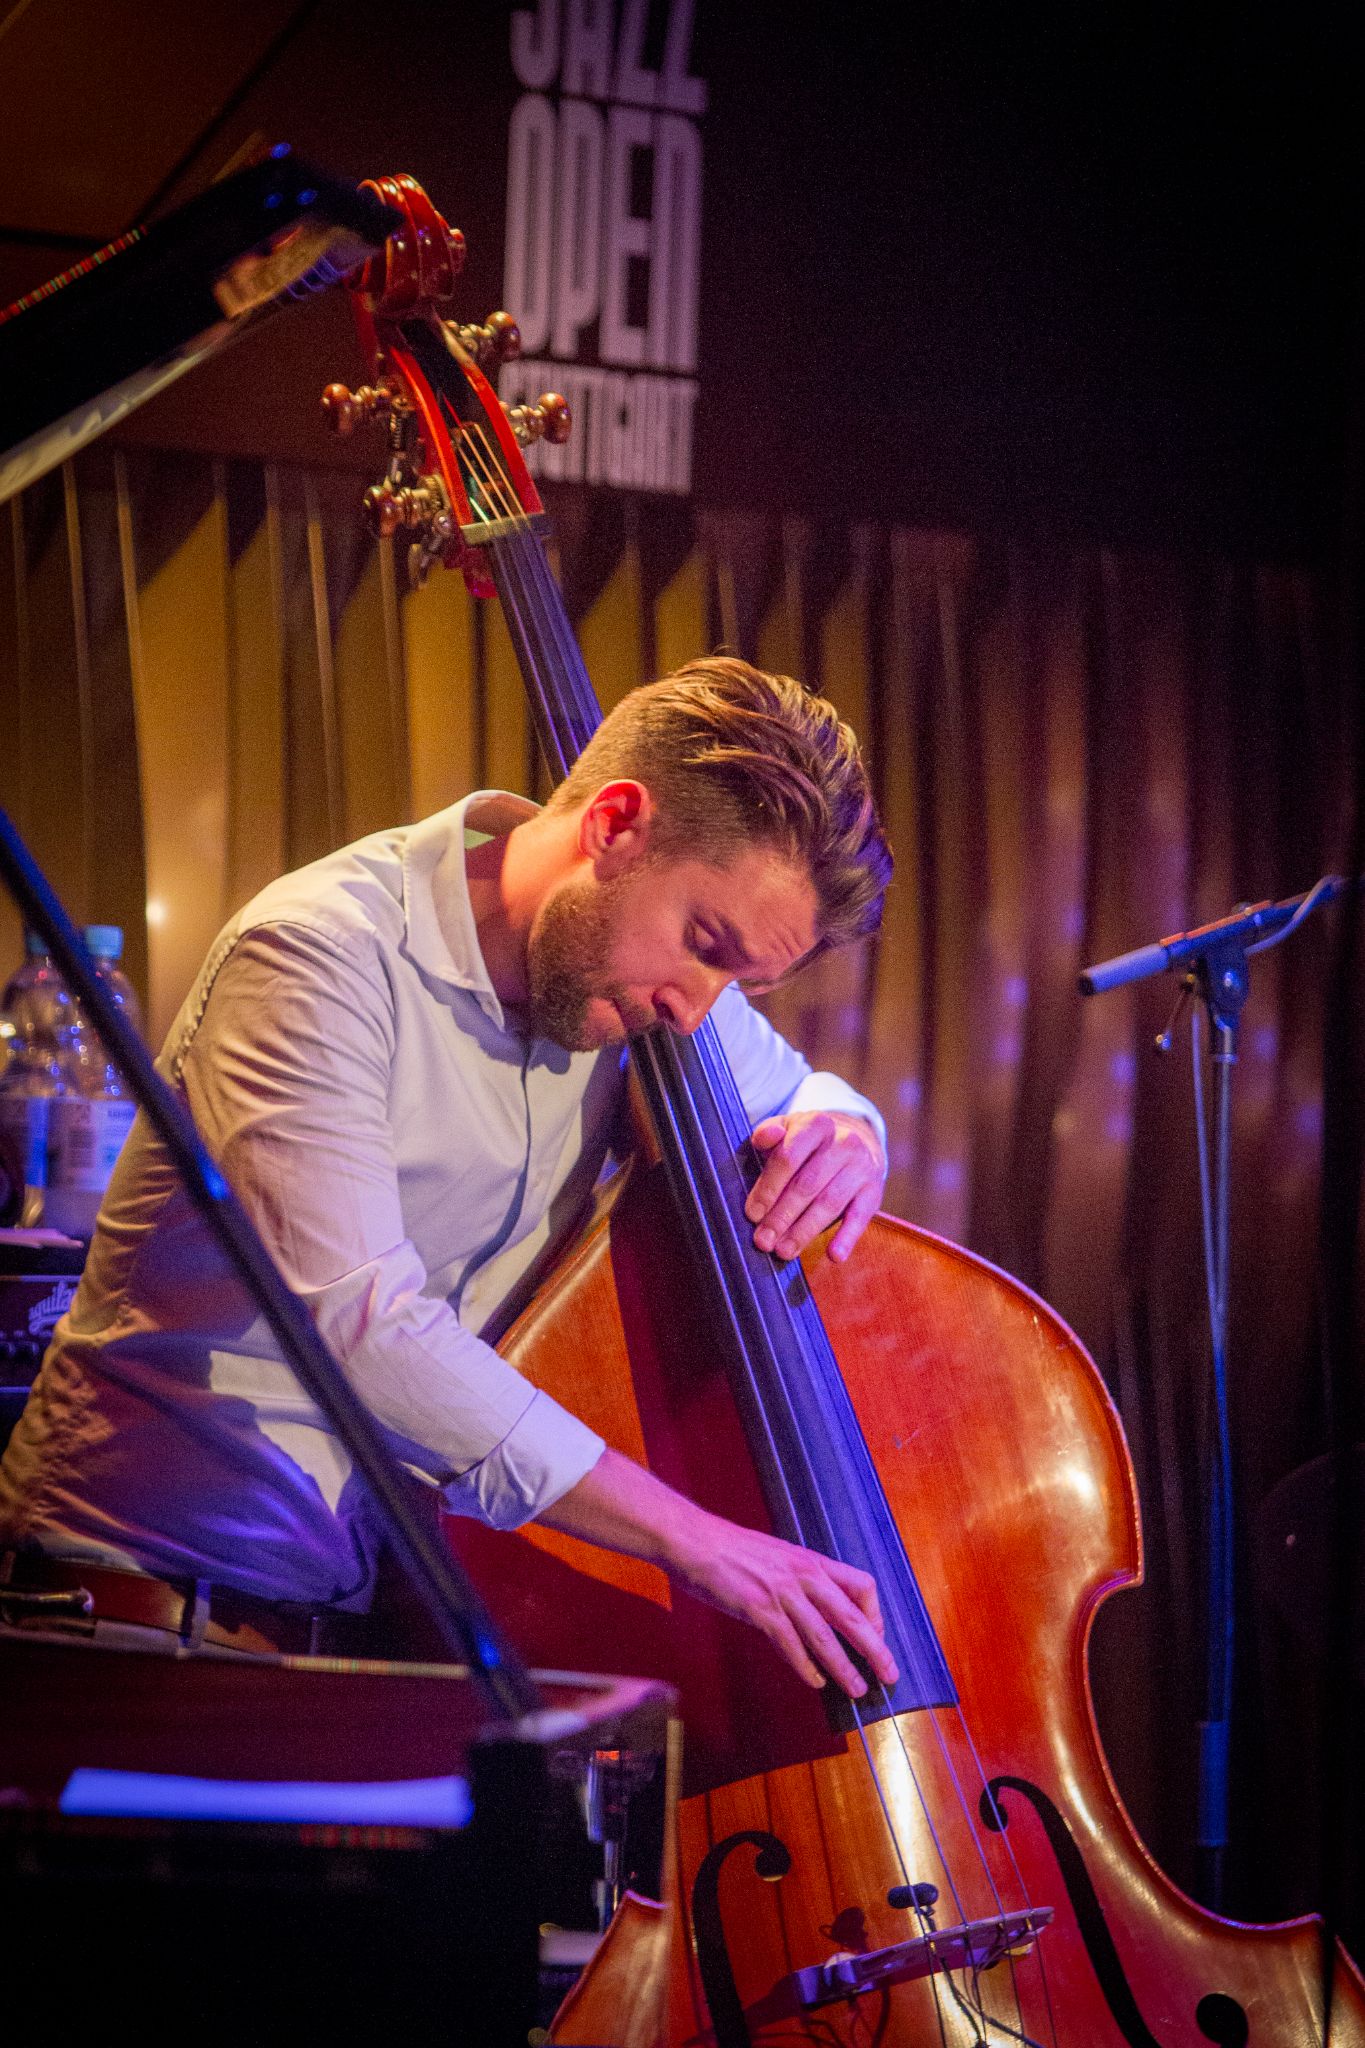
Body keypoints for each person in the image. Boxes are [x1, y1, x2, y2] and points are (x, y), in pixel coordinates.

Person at [0, 657, 898, 1699]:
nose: (700, 1009)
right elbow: (368, 1326)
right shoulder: (322, 953)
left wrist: (848, 1129)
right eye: (706, 946)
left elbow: (809, 1093)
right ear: (614, 825)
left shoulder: (641, 986)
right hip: (136, 1619)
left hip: (347, 1635)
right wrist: (700, 1541)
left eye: (739, 979)